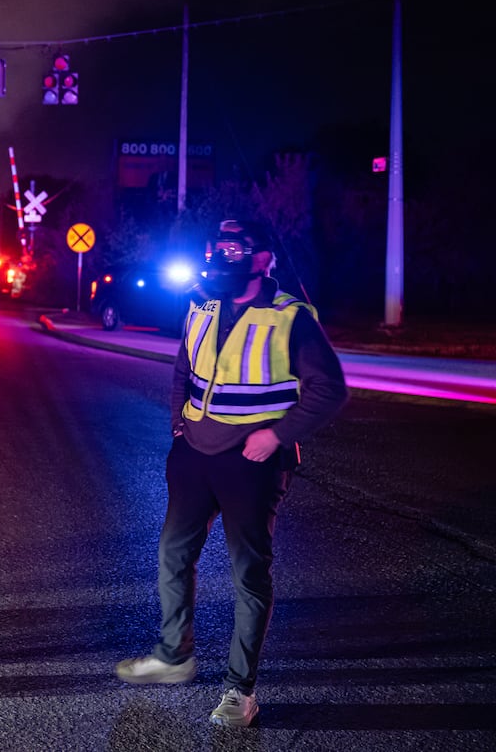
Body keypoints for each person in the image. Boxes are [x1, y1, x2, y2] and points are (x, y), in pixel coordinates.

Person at [115, 219, 348, 726]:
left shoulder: (291, 318)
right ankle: (174, 656)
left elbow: (330, 389)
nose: (219, 268)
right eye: (215, 258)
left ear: (262, 260)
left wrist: (275, 437)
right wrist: (179, 423)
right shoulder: (201, 301)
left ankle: (240, 691)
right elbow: (184, 367)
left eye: (232, 258)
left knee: (249, 573)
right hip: (195, 454)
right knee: (173, 553)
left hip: (253, 463)